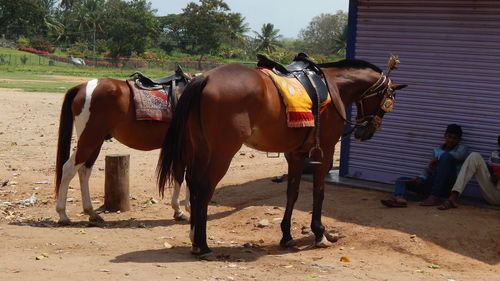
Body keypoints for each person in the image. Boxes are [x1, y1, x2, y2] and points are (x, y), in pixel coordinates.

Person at [381, 124, 469, 208]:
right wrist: (422, 177)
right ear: (445, 136)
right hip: (433, 182)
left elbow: (458, 157)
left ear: (459, 140)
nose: (451, 140)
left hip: (448, 185)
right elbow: (429, 169)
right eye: (449, 136)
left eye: (454, 138)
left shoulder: (462, 149)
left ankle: (434, 197)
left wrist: (439, 159)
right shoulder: (436, 150)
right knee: (401, 180)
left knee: (446, 157)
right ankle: (400, 199)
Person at [438, 134, 500, 210]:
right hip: (493, 195)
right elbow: (490, 175)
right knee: (474, 156)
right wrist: (493, 177)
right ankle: (453, 197)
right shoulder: (495, 154)